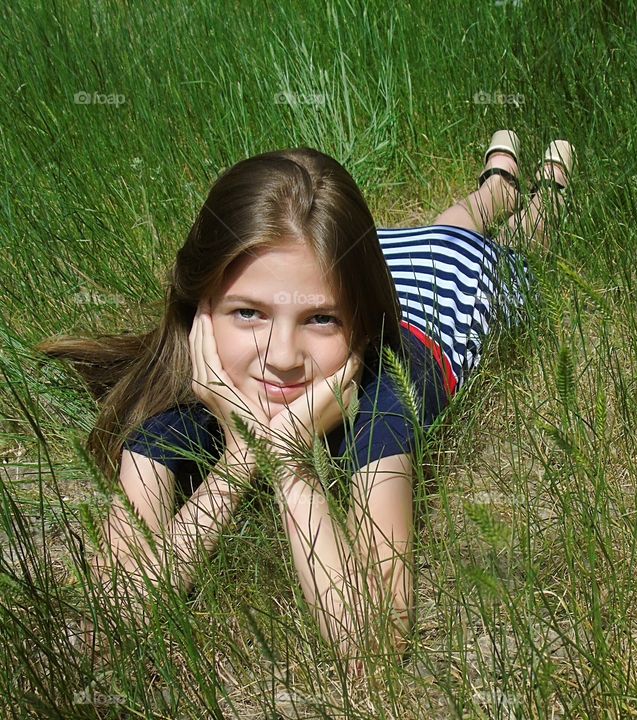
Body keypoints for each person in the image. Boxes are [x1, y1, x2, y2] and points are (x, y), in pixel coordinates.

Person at [38, 131, 575, 669]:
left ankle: (540, 198)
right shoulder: (186, 393)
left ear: (362, 327)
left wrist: (291, 466)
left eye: (321, 320)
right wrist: (243, 455)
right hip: (351, 260)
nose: (283, 357)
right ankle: (495, 192)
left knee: (493, 246)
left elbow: (374, 645)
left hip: (452, 287)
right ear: (200, 311)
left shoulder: (382, 396)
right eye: (248, 313)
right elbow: (109, 616)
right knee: (443, 228)